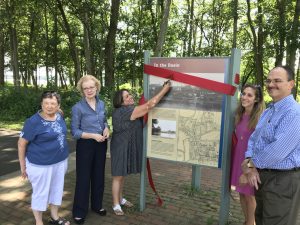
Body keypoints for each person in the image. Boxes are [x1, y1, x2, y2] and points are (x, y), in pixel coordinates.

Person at [242, 65, 300, 225]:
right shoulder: (269, 111)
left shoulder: (294, 113)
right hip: (263, 177)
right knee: (261, 220)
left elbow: (278, 150)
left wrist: (249, 164)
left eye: (277, 81)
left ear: (291, 84)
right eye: (268, 81)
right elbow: (254, 140)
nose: (271, 84)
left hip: (282, 181)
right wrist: (249, 162)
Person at [110, 80, 171, 216]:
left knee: (122, 175)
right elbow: (150, 105)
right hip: (120, 147)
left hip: (124, 145)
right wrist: (165, 90)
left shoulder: (127, 110)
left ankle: (120, 198)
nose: (130, 97)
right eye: (126, 97)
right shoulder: (125, 111)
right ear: (120, 102)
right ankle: (115, 204)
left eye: (130, 94)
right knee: (118, 176)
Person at [18, 91, 70, 225]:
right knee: (40, 194)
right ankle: (39, 222)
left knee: (57, 190)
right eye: (46, 103)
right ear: (41, 104)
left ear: (58, 105)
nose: (49, 106)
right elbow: (21, 144)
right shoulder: (33, 122)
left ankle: (55, 217)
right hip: (40, 165)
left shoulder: (60, 115)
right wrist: (23, 166)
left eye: (53, 103)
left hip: (60, 162)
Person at [71, 75, 109, 224]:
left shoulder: (102, 104)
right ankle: (79, 211)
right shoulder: (77, 107)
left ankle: (97, 206)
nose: (89, 90)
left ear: (97, 87)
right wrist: (93, 135)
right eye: (85, 88)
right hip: (86, 144)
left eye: (91, 87)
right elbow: (75, 132)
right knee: (83, 178)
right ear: (82, 90)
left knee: (99, 175)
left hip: (101, 143)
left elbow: (104, 121)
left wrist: (107, 128)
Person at [230, 84, 265, 225]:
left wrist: (248, 171)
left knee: (250, 196)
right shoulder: (239, 115)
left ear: (256, 99)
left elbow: (258, 149)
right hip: (238, 160)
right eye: (243, 93)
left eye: (249, 95)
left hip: (250, 163)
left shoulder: (260, 120)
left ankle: (251, 223)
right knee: (241, 193)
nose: (244, 97)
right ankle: (247, 221)